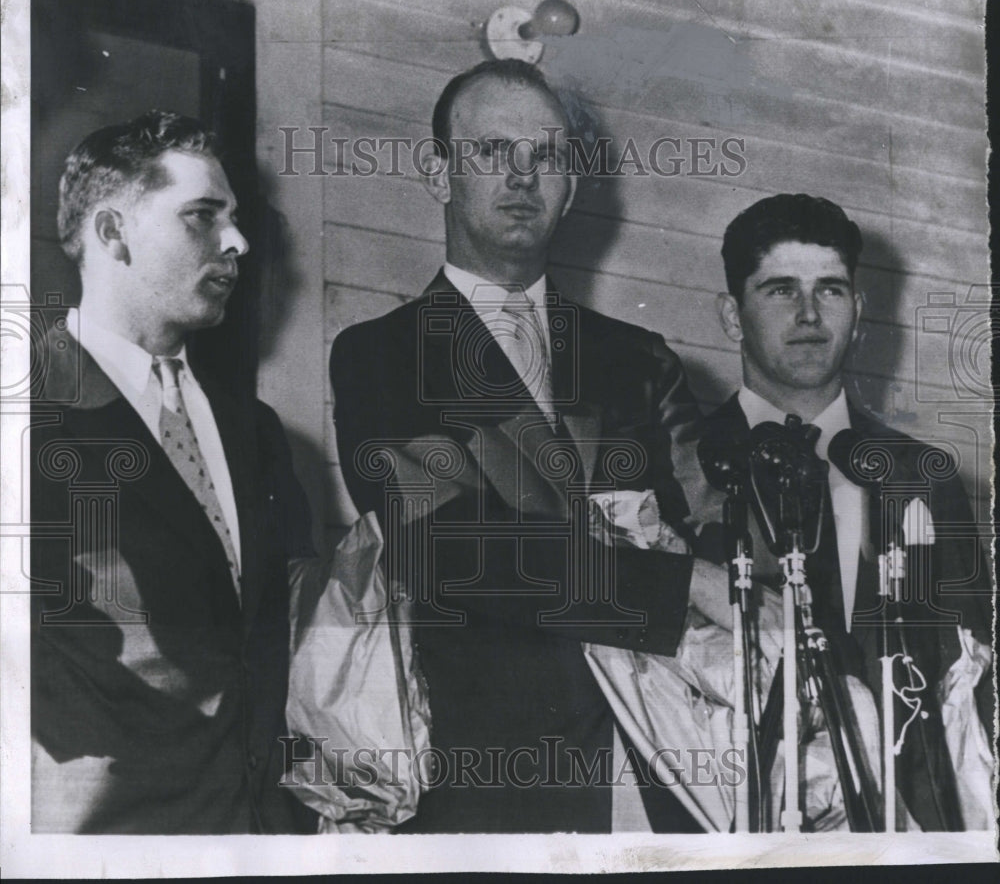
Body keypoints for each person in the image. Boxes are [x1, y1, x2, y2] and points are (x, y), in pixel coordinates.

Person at [329, 59, 732, 833]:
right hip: (493, 791)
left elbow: (711, 528)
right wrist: (678, 585)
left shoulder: (637, 359)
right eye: (491, 152)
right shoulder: (382, 355)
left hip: (676, 780)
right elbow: (449, 549)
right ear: (437, 172)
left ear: (572, 188)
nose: (522, 176)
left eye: (545, 156)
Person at [30, 111, 317, 833]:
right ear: (112, 232)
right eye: (201, 217)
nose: (239, 243)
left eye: (237, 219)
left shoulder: (257, 432)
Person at [702, 192, 993, 830]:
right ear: (731, 315)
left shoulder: (926, 478)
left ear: (858, 312)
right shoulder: (683, 462)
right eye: (780, 290)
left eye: (830, 290)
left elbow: (976, 685)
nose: (809, 314)